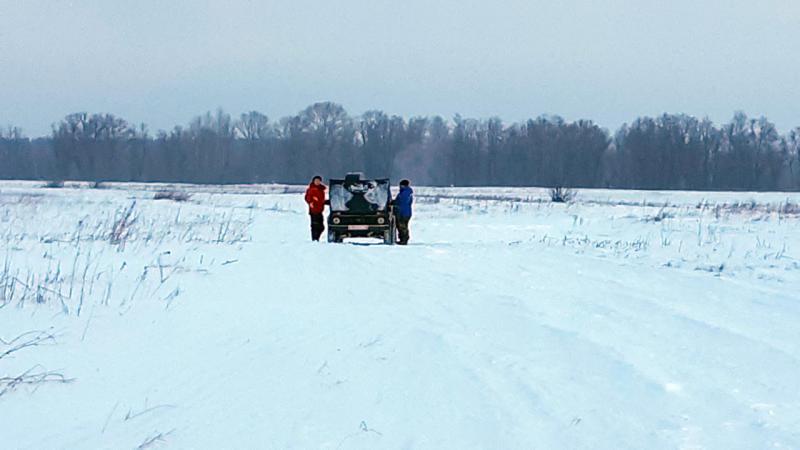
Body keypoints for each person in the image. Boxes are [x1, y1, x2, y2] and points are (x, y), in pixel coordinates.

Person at [304, 175, 327, 241]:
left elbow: (321, 200)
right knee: (315, 226)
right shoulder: (311, 189)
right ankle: (314, 239)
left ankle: (317, 238)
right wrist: (310, 202)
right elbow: (307, 197)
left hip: (320, 210)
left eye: (318, 181)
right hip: (313, 210)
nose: (317, 182)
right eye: (316, 181)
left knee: (321, 227)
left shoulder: (321, 189)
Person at [393, 179, 414, 245]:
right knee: (403, 226)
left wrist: (394, 203)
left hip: (403, 213)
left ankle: (403, 240)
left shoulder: (404, 193)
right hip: (407, 212)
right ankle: (403, 239)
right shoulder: (407, 192)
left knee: (402, 227)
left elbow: (401, 202)